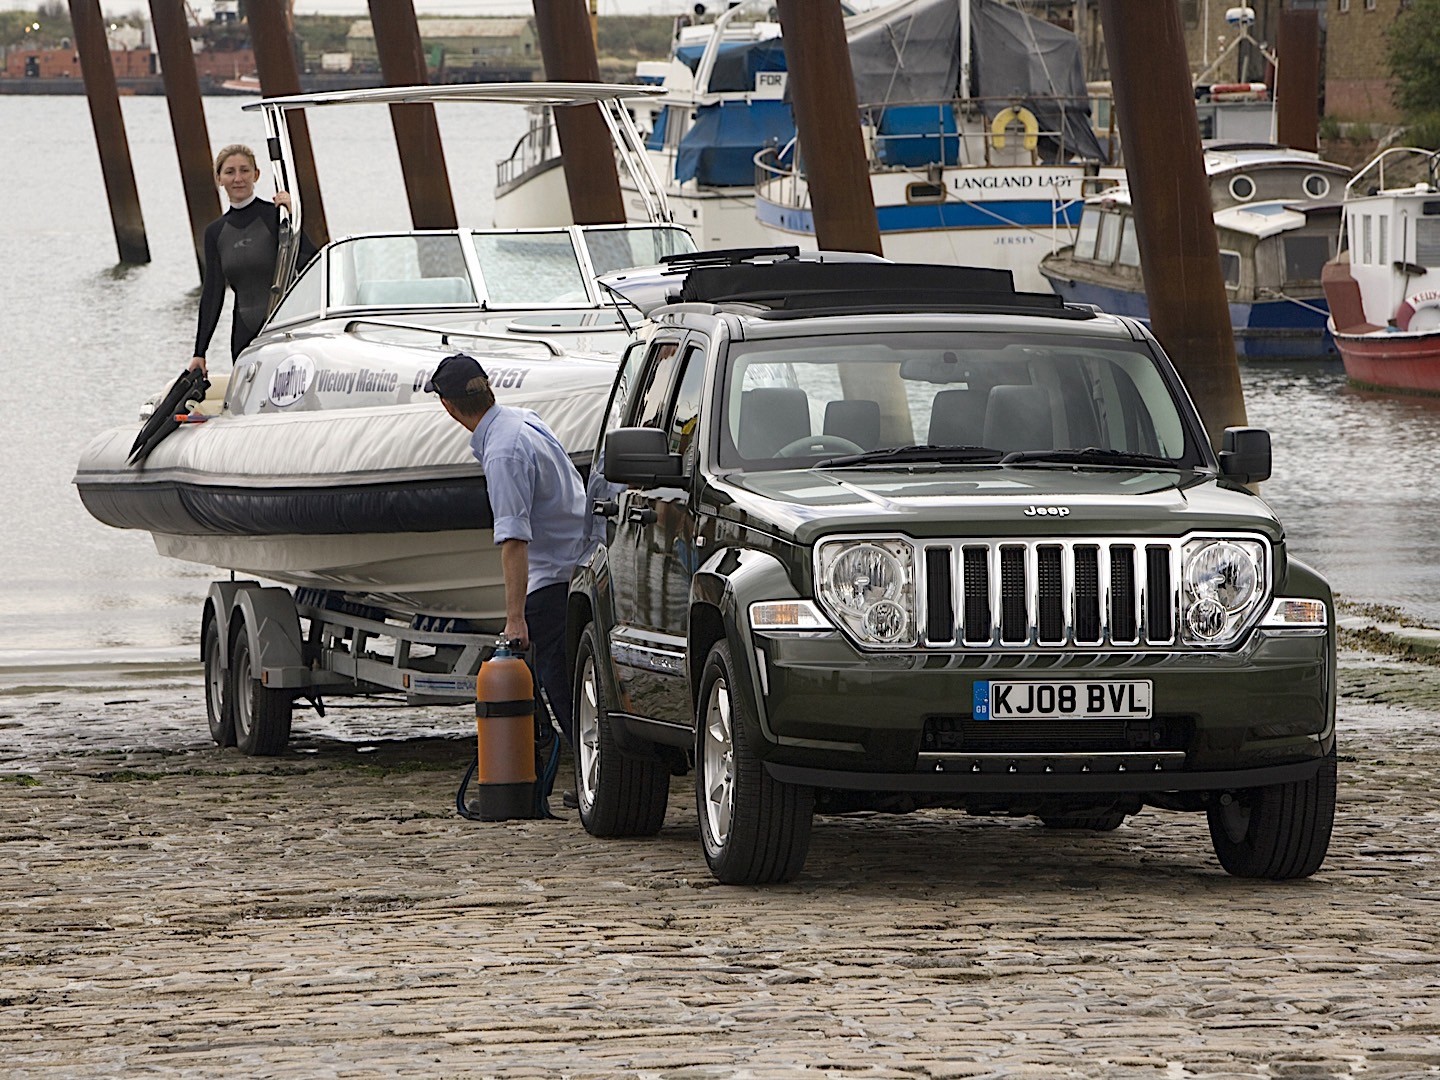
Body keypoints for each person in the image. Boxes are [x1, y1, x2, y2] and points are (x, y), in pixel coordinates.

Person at [425, 352, 591, 755]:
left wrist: (514, 619)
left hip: (552, 576)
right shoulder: (523, 419)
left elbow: (515, 539)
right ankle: (578, 765)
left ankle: (589, 770)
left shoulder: (503, 451)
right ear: (489, 389)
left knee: (557, 677)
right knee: (569, 677)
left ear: (448, 406)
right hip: (579, 559)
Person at [189, 144, 317, 375]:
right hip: (243, 336)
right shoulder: (215, 232)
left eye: (244, 170)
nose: (238, 178)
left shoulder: (276, 215)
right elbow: (212, 293)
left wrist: (294, 215)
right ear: (219, 179)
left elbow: (311, 263)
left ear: (256, 175)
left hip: (284, 328)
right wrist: (200, 352)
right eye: (229, 172)